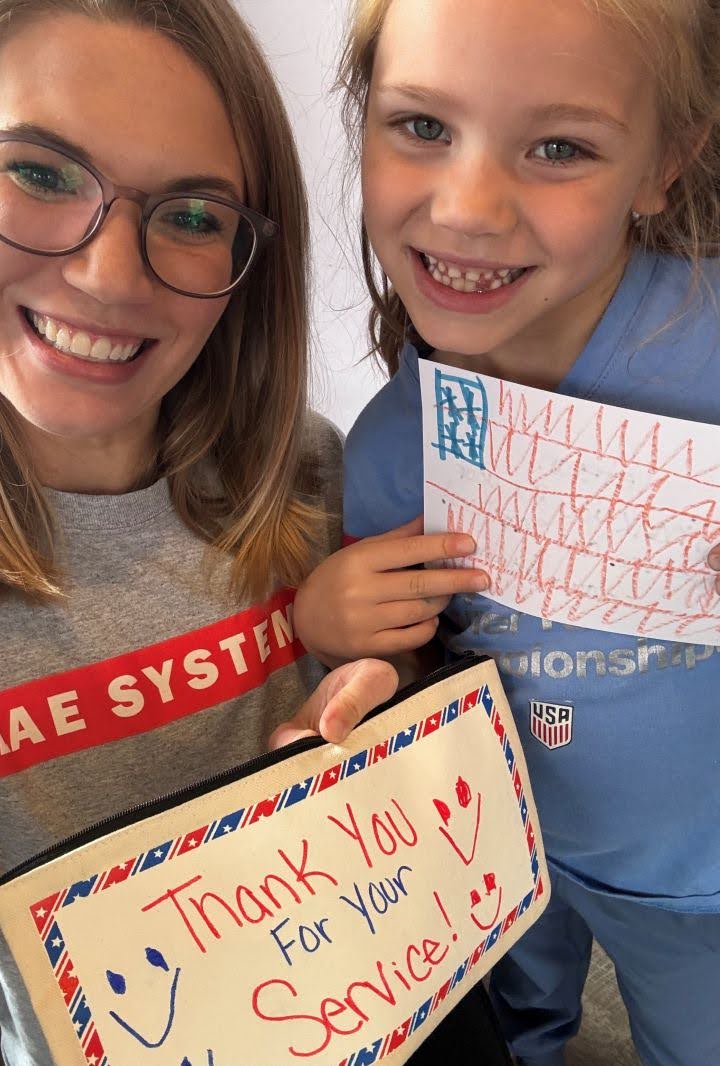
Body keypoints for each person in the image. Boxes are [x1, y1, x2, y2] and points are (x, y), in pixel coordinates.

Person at [0, 0, 407, 1061]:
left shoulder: (315, 474)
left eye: (190, 213)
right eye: (42, 173)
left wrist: (382, 718)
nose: (107, 275)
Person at [294, 1, 720, 1064]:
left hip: (695, 881)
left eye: (557, 147)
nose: (469, 207)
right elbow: (410, 664)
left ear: (664, 162)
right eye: (422, 127)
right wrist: (338, 622)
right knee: (509, 1030)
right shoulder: (395, 438)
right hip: (497, 846)